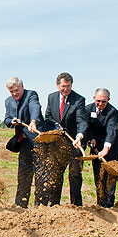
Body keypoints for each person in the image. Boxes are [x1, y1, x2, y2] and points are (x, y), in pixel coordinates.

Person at [44, 72, 88, 205]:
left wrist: (80, 135)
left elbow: (81, 120)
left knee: (74, 175)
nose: (66, 89)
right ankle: (54, 205)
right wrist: (56, 126)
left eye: (68, 86)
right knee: (56, 175)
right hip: (57, 144)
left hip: (74, 143)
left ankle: (76, 205)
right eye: (63, 86)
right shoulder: (52, 97)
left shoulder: (79, 100)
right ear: (57, 85)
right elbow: (48, 118)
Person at [3, 77, 46, 207]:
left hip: (38, 141)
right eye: (11, 92)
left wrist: (33, 122)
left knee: (40, 176)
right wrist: (12, 121)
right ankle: (21, 205)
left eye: (16, 90)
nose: (15, 94)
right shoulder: (8, 101)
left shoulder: (31, 95)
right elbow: (7, 119)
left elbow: (35, 108)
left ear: (22, 86)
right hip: (23, 143)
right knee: (23, 175)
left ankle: (40, 206)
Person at [86, 88, 118, 208]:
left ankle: (109, 202)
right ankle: (100, 202)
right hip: (97, 146)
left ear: (108, 100)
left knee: (110, 176)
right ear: (94, 98)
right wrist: (91, 138)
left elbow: (112, 130)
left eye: (104, 101)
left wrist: (106, 148)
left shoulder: (112, 111)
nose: (100, 104)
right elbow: (86, 126)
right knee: (98, 174)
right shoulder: (88, 109)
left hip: (112, 147)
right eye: (98, 100)